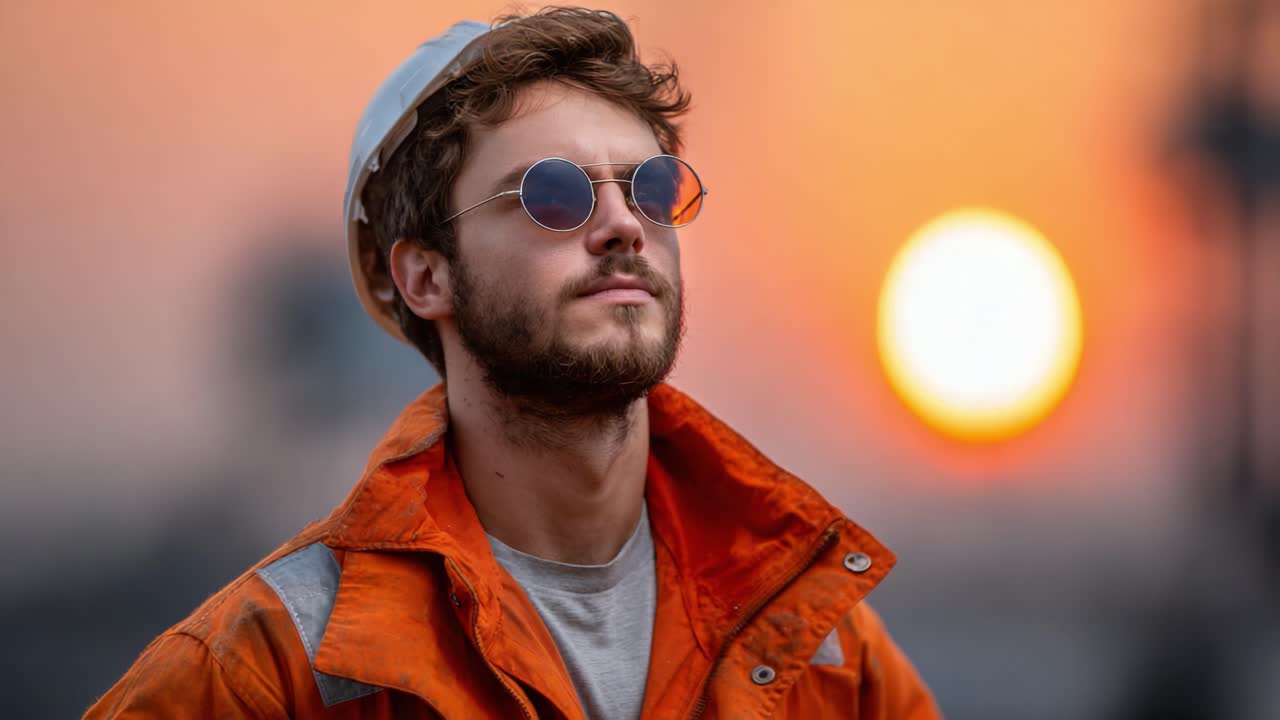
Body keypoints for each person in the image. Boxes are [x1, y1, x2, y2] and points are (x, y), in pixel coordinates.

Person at [85, 8, 939, 719]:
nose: (622, 226)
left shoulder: (825, 654)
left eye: (650, 188)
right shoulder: (265, 673)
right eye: (555, 195)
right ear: (424, 274)